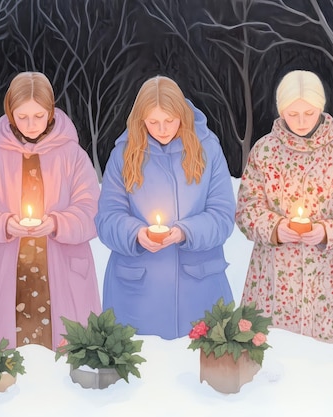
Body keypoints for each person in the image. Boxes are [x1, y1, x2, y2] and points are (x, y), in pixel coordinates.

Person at [235, 70, 333, 344]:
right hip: (276, 279)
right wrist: (275, 227)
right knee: (277, 361)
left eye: (308, 113)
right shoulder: (264, 151)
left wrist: (327, 231)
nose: (301, 121)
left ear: (321, 109)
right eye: (292, 113)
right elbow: (246, 209)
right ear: (281, 111)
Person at [0, 71, 102, 350]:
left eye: (38, 116)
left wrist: (57, 223)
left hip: (63, 272)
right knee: (5, 358)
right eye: (22, 116)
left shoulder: (73, 155)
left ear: (51, 112)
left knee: (67, 356)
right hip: (8, 273)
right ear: (10, 113)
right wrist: (3, 223)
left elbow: (92, 212)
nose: (30, 124)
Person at [95, 75, 235, 340]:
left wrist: (186, 231)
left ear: (182, 114)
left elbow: (223, 215)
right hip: (136, 294)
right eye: (153, 122)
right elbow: (107, 218)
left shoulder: (209, 150)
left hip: (200, 289)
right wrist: (135, 233)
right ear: (141, 120)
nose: (162, 129)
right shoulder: (123, 155)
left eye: (169, 120)